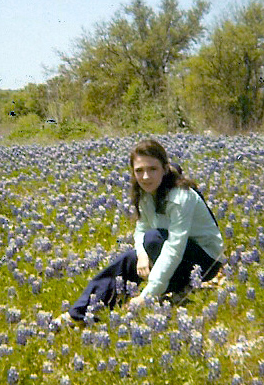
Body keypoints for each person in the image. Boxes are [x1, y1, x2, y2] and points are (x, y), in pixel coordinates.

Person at [59, 138, 225, 325]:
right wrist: (143, 254)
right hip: (173, 254)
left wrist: (148, 294)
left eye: (152, 169)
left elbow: (174, 248)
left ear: (164, 168)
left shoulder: (180, 197)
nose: (146, 176)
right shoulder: (147, 193)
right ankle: (80, 314)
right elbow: (141, 229)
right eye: (139, 171)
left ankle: (166, 291)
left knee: (153, 239)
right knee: (130, 259)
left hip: (205, 262)